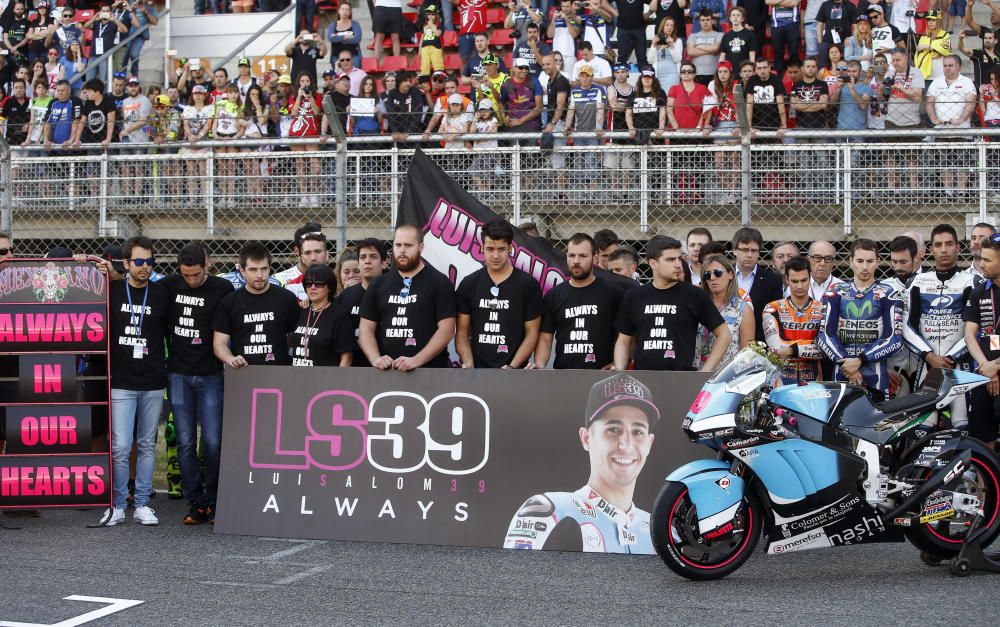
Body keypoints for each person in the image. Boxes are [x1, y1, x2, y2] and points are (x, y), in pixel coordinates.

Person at [504, 371, 658, 553]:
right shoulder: (551, 511)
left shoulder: (660, 532)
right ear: (586, 438)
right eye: (613, 429)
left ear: (649, 443)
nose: (625, 444)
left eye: (638, 432)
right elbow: (515, 578)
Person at [94, 236, 169, 527]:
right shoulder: (111, 290)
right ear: (125, 263)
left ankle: (142, 504)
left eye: (150, 262)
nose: (145, 267)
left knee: (148, 444)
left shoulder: (161, 293)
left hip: (152, 381)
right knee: (121, 446)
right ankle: (116, 505)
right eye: (138, 262)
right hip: (121, 381)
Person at [159, 243, 234, 526]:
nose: (191, 280)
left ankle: (214, 500)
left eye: (196, 275)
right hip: (178, 374)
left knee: (214, 443)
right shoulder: (169, 286)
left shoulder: (222, 289)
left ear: (208, 264)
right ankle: (196, 501)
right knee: (185, 441)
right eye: (186, 275)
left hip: (211, 374)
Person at [613, 235, 731, 371]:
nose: (677, 264)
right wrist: (620, 369)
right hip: (642, 381)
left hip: (681, 381)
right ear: (653, 264)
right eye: (670, 259)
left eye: (678, 258)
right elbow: (623, 341)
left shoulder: (694, 295)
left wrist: (705, 371)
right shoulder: (634, 296)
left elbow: (724, 334)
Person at [902, 224, 975, 428]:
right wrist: (929, 356)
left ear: (958, 247)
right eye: (938, 245)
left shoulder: (970, 281)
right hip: (927, 366)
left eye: (949, 244)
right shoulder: (918, 282)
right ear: (930, 249)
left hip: (959, 366)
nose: (944, 249)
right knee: (923, 427)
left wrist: (951, 358)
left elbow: (974, 329)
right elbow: (907, 326)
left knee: (962, 426)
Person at [359, 224, 457, 370]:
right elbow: (366, 328)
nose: (402, 250)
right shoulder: (379, 283)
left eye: (408, 245)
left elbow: (447, 329)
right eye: (398, 245)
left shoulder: (439, 282)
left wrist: (416, 360)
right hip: (386, 372)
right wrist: (376, 359)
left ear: (420, 247)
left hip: (428, 372)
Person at [818, 238, 902, 401]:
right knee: (839, 421)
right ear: (850, 261)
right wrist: (846, 364)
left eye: (870, 261)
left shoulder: (889, 293)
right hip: (842, 370)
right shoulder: (835, 292)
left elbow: (894, 339)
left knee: (876, 423)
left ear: (878, 261)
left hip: (875, 374)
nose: (865, 267)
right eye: (860, 261)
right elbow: (824, 335)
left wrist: (859, 360)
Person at [456, 219, 543, 368]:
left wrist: (512, 367)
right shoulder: (469, 284)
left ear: (510, 248)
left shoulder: (528, 285)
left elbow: (532, 333)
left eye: (501, 249)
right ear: (482, 248)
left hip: (514, 373)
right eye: (490, 249)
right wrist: (468, 362)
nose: (495, 256)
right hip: (477, 372)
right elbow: (462, 333)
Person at [212, 242, 300, 369]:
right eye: (253, 269)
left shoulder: (286, 298)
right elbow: (219, 343)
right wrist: (230, 359)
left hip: (279, 372)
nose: (260, 275)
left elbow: (294, 336)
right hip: (243, 372)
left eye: (264, 269)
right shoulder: (229, 302)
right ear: (242, 271)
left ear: (270, 268)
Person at [963, 232, 1000, 448]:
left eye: (986, 260)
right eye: (980, 259)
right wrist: (987, 366)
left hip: (992, 369)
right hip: (983, 373)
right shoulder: (978, 292)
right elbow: (969, 335)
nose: (980, 264)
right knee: (982, 437)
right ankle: (985, 482)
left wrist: (995, 366)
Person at [763, 255, 825, 384]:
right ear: (786, 279)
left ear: (810, 277)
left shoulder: (823, 309)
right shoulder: (772, 308)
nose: (800, 286)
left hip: (813, 380)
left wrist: (791, 350)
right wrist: (809, 343)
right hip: (780, 379)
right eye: (795, 281)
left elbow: (824, 349)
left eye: (804, 280)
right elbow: (776, 347)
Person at [926, 55, 977, 196]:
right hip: (941, 132)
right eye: (945, 66)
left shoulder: (967, 82)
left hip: (962, 131)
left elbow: (971, 102)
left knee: (963, 164)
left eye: (950, 65)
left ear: (958, 66)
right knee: (944, 164)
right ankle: (948, 193)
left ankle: (961, 193)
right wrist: (934, 119)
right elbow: (929, 102)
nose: (947, 68)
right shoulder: (936, 82)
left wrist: (961, 119)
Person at [694, 254, 753, 368]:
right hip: (696, 374)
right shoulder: (696, 306)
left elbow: (746, 355)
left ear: (730, 274)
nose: (712, 278)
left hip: (726, 378)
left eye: (718, 273)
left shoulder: (743, 310)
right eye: (707, 275)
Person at [290, 264, 354, 367]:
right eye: (308, 283)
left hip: (326, 380)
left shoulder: (339, 314)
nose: (313, 287)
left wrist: (337, 382)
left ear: (329, 287)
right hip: (297, 377)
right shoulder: (301, 310)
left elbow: (347, 357)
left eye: (319, 284)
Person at [337, 237, 386, 367]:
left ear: (384, 263)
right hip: (355, 367)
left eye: (373, 257)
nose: (367, 261)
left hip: (388, 365)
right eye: (363, 257)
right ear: (358, 263)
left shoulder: (395, 293)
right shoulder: (346, 296)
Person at [884, 235, 921, 396]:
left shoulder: (929, 283)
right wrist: (882, 366)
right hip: (893, 362)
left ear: (916, 258)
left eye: (903, 262)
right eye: (894, 262)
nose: (898, 266)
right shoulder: (884, 287)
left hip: (923, 359)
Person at [732, 227, 783, 341]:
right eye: (745, 250)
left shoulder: (773, 280)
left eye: (754, 250)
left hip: (759, 344)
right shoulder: (724, 276)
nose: (750, 255)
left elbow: (773, 318)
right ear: (735, 250)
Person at [275, 223, 330, 299]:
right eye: (308, 252)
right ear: (298, 251)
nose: (313, 257)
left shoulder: (338, 278)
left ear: (327, 254)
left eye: (317, 251)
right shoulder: (278, 280)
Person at [816, 0, 857, 69]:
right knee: (822, 67)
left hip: (845, 42)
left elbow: (854, 26)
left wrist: (852, 40)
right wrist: (820, 42)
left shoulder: (850, 5)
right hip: (827, 41)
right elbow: (820, 24)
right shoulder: (825, 5)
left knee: (845, 67)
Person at [686, 9, 722, 85]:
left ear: (712, 21)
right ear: (699, 22)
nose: (705, 22)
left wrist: (699, 46)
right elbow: (690, 52)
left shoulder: (720, 35)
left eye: (708, 19)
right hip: (697, 75)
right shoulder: (693, 36)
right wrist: (711, 50)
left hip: (715, 74)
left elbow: (716, 48)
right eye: (702, 20)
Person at [959, 19, 998, 87]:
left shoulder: (998, 55)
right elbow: (962, 49)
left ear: (996, 41)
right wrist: (960, 39)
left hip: (996, 92)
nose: (987, 40)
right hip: (981, 93)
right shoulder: (979, 53)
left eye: (990, 38)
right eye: (985, 38)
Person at [914, 10, 950, 81]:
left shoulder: (945, 34)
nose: (930, 22)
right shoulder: (924, 35)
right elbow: (918, 48)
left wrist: (927, 46)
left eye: (933, 20)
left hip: (940, 74)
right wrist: (935, 48)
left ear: (938, 21)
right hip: (925, 74)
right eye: (928, 20)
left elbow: (944, 49)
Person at [651, 15, 683, 93]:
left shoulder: (677, 41)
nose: (669, 27)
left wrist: (672, 45)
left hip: (672, 75)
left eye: (672, 25)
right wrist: (654, 45)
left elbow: (678, 59)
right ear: (663, 26)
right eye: (667, 25)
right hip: (658, 75)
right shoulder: (656, 41)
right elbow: (650, 60)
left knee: (671, 98)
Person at [768, 0, 801, 75]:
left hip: (792, 24)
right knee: (778, 54)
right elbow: (767, 1)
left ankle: (795, 79)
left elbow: (794, 3)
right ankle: (778, 80)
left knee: (794, 53)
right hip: (776, 25)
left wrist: (776, 2)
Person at [327, 1, 363, 69]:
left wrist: (338, 38)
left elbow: (357, 38)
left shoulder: (355, 24)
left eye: (347, 9)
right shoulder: (333, 25)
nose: (345, 11)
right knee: (338, 77)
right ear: (339, 11)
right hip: (336, 55)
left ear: (350, 12)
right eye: (343, 9)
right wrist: (344, 37)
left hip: (353, 55)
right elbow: (330, 38)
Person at [419, 5, 445, 77]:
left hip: (436, 47)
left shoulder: (439, 25)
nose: (430, 16)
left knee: (438, 65)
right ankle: (424, 81)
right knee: (425, 66)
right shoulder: (424, 26)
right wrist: (419, 50)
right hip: (425, 48)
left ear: (436, 15)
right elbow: (422, 38)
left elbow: (437, 34)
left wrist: (431, 24)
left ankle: (439, 79)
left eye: (433, 14)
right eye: (428, 14)